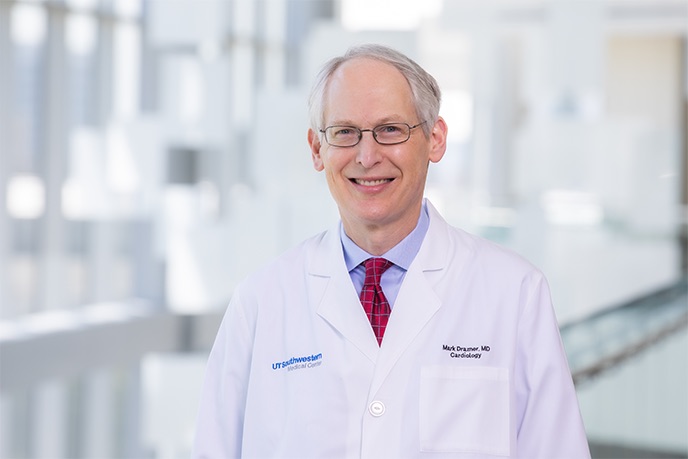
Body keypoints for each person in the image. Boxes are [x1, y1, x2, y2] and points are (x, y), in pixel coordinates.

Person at [192, 44, 590, 458]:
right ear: (316, 150)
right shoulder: (261, 301)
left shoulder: (515, 293)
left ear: (435, 139)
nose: (367, 156)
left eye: (390, 130)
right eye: (345, 132)